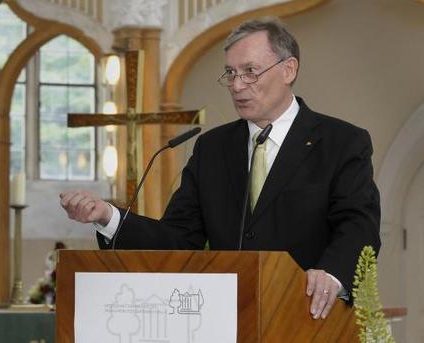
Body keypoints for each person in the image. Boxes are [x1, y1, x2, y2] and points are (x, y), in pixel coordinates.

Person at [60, 18, 380, 320]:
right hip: (226, 320)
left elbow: (359, 226)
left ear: (288, 69)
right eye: (230, 73)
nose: (237, 85)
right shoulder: (212, 148)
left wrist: (332, 275)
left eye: (250, 71)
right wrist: (108, 216)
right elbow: (177, 239)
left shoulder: (342, 142)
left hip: (307, 318)